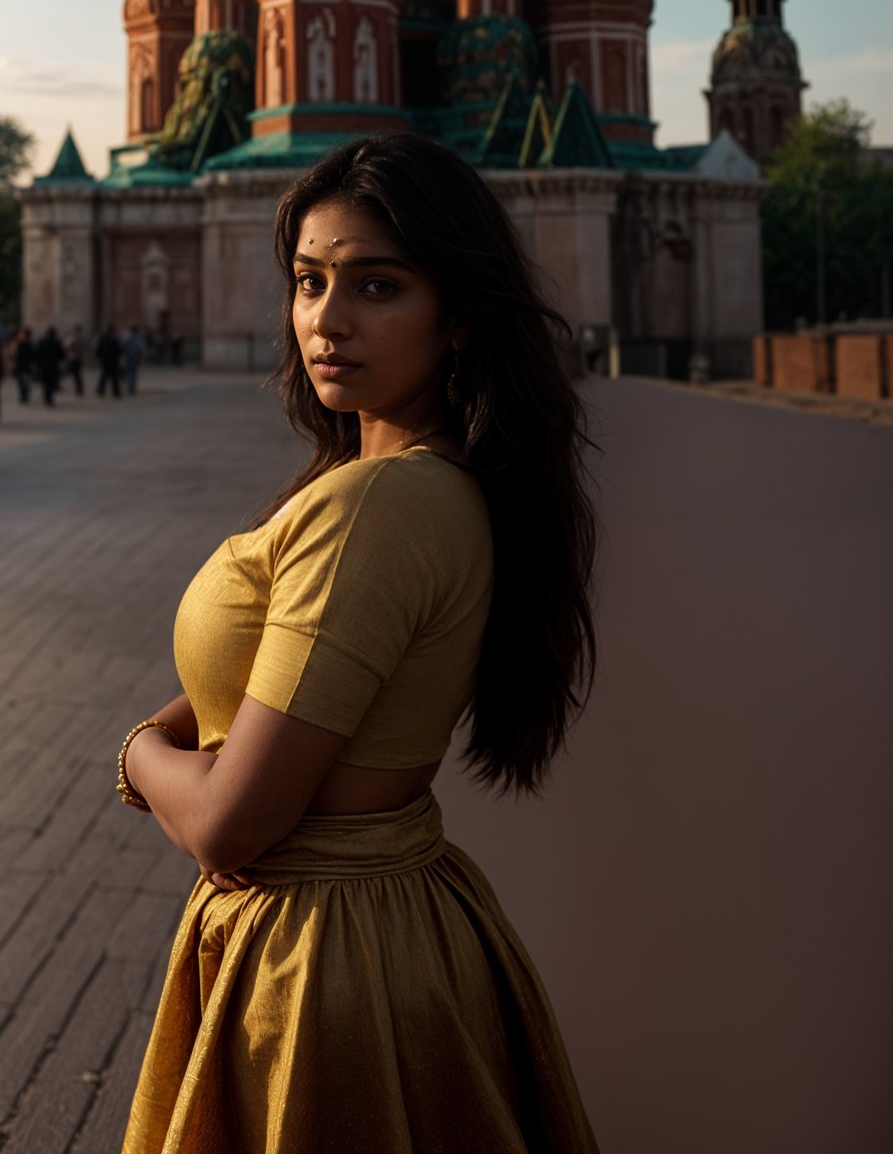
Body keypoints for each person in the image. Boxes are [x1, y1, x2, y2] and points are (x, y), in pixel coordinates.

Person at [117, 134, 601, 1153]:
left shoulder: (379, 505)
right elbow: (252, 691)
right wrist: (189, 739)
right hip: (391, 925)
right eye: (307, 282)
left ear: (458, 313)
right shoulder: (414, 479)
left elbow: (229, 827)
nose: (326, 322)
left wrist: (133, 757)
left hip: (319, 967)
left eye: (375, 287)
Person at [35, 326, 66, 407]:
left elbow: (37, 354)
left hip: (44, 366)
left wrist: (38, 365)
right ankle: (50, 399)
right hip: (53, 366)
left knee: (45, 383)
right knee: (51, 383)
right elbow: (62, 355)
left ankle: (46, 398)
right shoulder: (56, 342)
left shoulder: (42, 342)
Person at [96, 323, 121, 397]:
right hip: (112, 361)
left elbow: (98, 350)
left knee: (104, 377)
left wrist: (100, 358)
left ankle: (101, 390)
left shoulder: (103, 339)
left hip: (106, 361)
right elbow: (118, 351)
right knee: (113, 378)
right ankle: (115, 392)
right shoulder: (113, 340)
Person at [121, 323, 144, 395]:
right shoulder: (137, 337)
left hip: (128, 356)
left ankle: (129, 387)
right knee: (133, 373)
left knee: (129, 372)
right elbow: (141, 347)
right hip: (134, 357)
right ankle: (131, 388)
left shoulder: (126, 336)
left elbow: (122, 345)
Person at [14, 327, 35, 403]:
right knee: (26, 383)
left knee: (22, 383)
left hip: (21, 366)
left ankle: (23, 396)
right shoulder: (29, 344)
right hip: (26, 366)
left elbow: (16, 355)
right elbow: (32, 356)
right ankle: (25, 396)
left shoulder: (20, 344)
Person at [66, 325, 86, 395]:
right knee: (77, 374)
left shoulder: (76, 338)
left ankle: (79, 389)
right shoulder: (82, 338)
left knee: (76, 374)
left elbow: (70, 347)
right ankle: (79, 388)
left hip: (75, 358)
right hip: (79, 358)